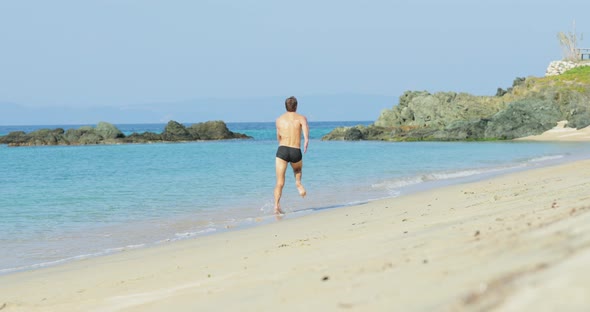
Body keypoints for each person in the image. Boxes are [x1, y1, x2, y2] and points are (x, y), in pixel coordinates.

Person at [274, 96, 309, 215]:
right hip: (295, 149)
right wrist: (306, 142)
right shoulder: (301, 118)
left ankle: (276, 206)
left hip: (282, 150)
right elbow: (305, 134)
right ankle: (298, 183)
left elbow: (278, 137)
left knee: (279, 182)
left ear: (285, 106)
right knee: (297, 170)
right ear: (296, 106)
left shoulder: (279, 120)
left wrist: (283, 147)